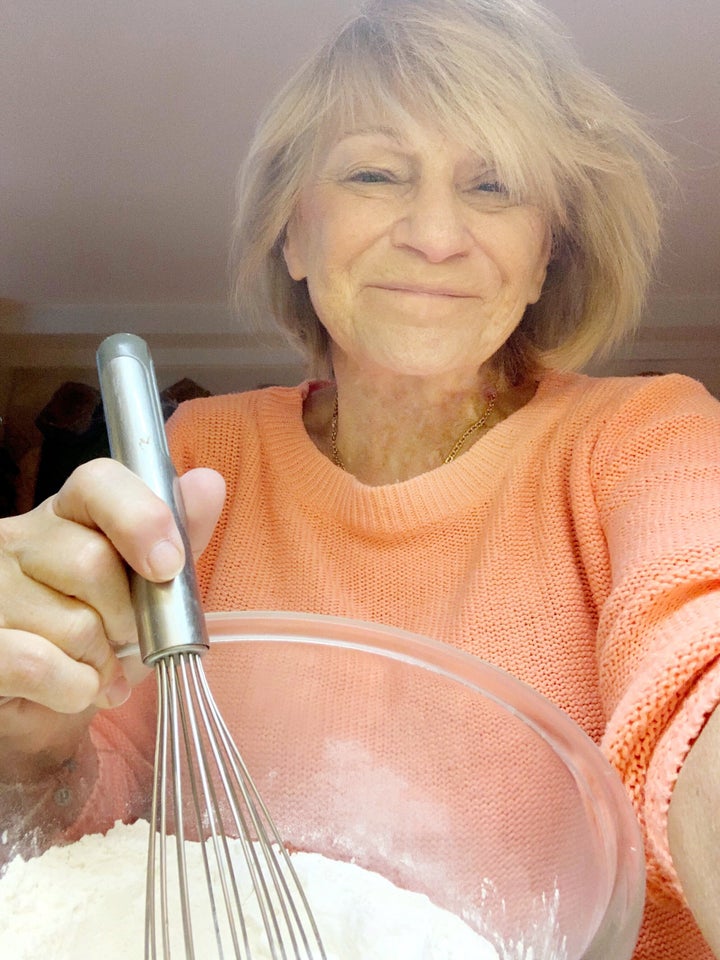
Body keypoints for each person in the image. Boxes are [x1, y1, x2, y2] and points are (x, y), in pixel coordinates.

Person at [1, 0, 719, 956]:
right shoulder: (204, 449)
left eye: (494, 186)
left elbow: (696, 662)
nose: (434, 234)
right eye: (377, 173)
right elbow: (101, 815)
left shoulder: (643, 436)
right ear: (293, 238)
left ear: (546, 257)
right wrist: (36, 726)